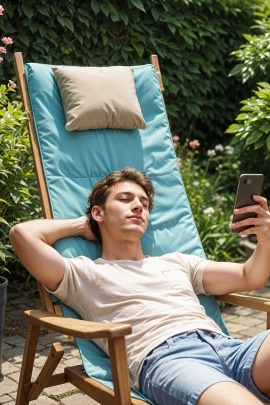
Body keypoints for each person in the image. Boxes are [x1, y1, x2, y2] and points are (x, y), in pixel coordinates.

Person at [9, 167, 270, 405]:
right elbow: (21, 235)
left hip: (231, 348)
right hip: (170, 360)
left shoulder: (177, 262)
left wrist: (265, 238)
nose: (138, 206)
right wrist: (84, 224)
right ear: (98, 212)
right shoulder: (83, 272)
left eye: (144, 203)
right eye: (125, 199)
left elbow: (250, 276)